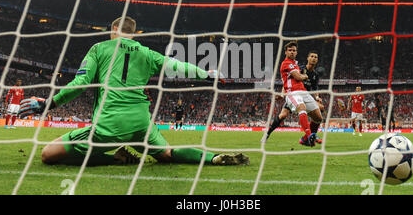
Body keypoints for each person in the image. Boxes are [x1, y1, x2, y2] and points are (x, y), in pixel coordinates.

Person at [18, 16, 249, 166]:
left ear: (116, 29)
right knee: (167, 153)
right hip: (141, 123)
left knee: (48, 154)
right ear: (133, 33)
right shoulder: (147, 53)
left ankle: (115, 158)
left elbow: (80, 84)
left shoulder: (99, 48)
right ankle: (213, 158)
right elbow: (176, 66)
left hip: (108, 126)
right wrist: (206, 73)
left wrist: (49, 103)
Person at [261, 41, 323, 146]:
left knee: (319, 116)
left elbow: (315, 87)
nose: (313, 59)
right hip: (294, 94)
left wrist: (317, 97)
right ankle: (308, 136)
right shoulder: (297, 66)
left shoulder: (313, 74)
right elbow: (291, 80)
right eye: (312, 56)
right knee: (283, 115)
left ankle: (307, 137)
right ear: (308, 58)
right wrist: (282, 94)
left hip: (304, 93)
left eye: (315, 57)